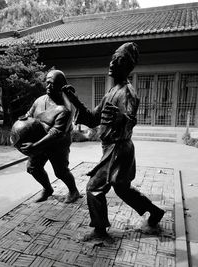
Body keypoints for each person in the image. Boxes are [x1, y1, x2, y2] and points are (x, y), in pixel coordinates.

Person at [63, 42, 165, 239]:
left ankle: (100, 230)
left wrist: (122, 118)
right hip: (112, 148)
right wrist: (74, 100)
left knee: (94, 188)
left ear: (127, 67)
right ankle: (155, 212)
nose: (111, 64)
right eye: (112, 59)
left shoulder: (128, 93)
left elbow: (130, 120)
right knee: (122, 189)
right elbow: (93, 118)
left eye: (117, 61)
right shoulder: (111, 92)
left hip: (119, 149)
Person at [20, 69, 81, 203]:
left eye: (52, 83)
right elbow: (29, 115)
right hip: (39, 141)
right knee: (33, 168)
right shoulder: (39, 101)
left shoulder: (65, 108)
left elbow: (56, 133)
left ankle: (74, 191)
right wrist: (22, 122)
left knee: (61, 171)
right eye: (47, 83)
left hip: (58, 144)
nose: (48, 86)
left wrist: (35, 146)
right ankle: (47, 189)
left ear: (60, 85)